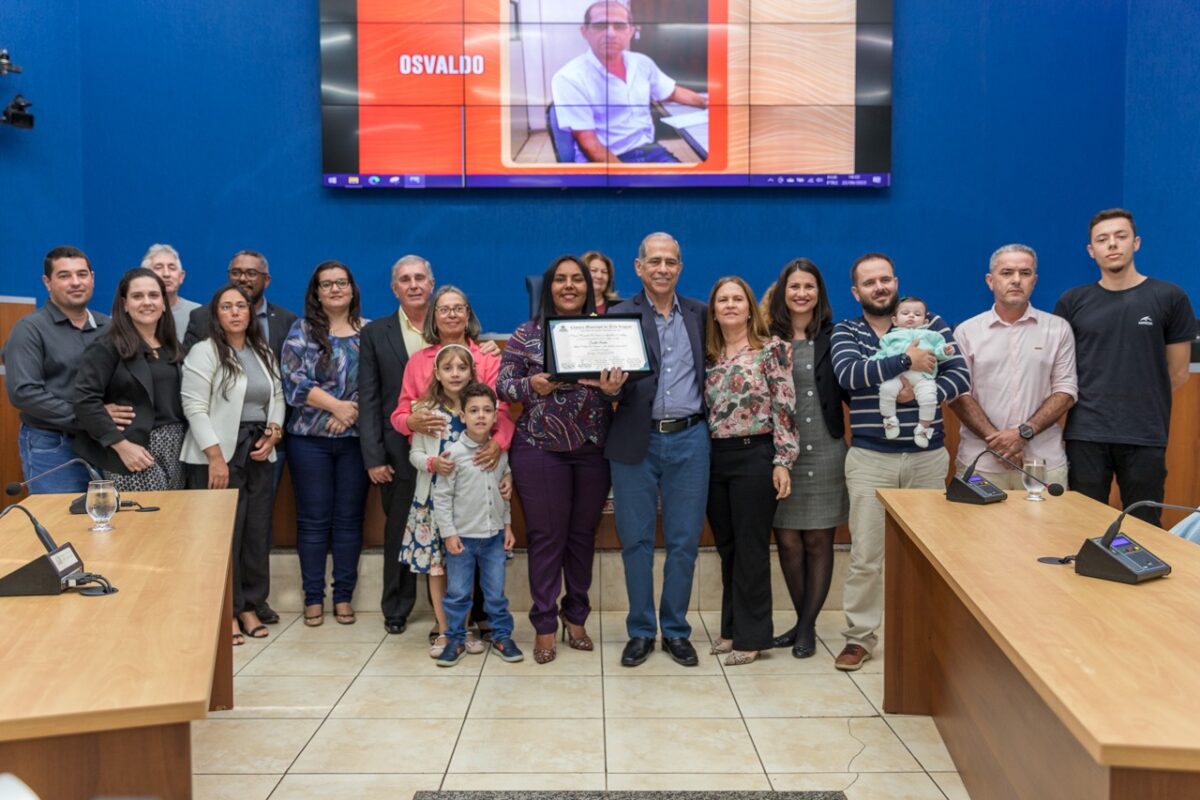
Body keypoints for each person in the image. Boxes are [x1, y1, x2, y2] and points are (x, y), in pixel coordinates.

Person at [830, 253, 970, 671]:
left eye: (886, 279)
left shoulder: (929, 323)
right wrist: (908, 363)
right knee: (866, 556)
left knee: (929, 554)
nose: (880, 287)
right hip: (872, 457)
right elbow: (850, 376)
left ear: (896, 282)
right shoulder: (847, 330)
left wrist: (917, 390)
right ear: (857, 292)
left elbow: (960, 376)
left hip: (928, 459)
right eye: (869, 282)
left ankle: (927, 633)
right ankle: (859, 637)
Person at [498, 255, 623, 664]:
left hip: (593, 451)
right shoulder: (527, 333)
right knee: (547, 539)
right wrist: (531, 384)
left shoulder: (607, 332)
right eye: (560, 280)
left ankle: (577, 617)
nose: (569, 286)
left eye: (577, 280)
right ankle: (545, 626)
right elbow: (503, 384)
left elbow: (625, 389)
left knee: (582, 538)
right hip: (539, 450)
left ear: (590, 286)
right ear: (548, 287)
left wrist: (613, 389)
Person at [606, 232, 709, 668]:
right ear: (638, 266)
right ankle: (642, 630)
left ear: (680, 267)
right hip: (635, 438)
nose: (663, 268)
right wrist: (608, 388)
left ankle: (677, 630)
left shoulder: (701, 315)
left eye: (671, 261)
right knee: (636, 541)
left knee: (685, 540)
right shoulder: (617, 315)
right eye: (655, 261)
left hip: (690, 438)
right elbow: (603, 382)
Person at [390, 284, 515, 642]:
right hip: (436, 485)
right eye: (444, 309)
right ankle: (448, 627)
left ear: (468, 313)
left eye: (458, 308)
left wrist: (498, 447)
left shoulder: (488, 358)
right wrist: (410, 422)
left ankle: (474, 621)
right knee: (441, 560)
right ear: (434, 316)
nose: (451, 315)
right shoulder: (419, 362)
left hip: (480, 474)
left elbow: (500, 411)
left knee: (475, 550)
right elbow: (402, 412)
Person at [1054, 209, 1195, 525]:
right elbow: (1062, 368)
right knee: (1083, 524)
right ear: (1092, 251)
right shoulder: (1072, 301)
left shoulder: (1169, 296)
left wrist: (1137, 400)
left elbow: (1178, 372)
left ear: (1137, 242)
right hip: (1086, 433)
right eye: (1102, 240)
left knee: (1144, 525)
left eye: (1120, 236)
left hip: (1144, 434)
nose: (1112, 245)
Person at [183, 249, 296, 626]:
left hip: (259, 449)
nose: (235, 312)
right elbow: (195, 408)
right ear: (215, 314)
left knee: (255, 531)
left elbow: (277, 396)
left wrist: (275, 433)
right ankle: (225, 611)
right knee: (222, 536)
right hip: (216, 455)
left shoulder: (262, 350)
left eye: (241, 307)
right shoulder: (204, 351)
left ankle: (250, 605)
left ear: (251, 313)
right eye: (227, 306)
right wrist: (215, 458)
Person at [703, 276, 797, 666]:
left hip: (755, 455)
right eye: (722, 299)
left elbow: (785, 408)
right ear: (714, 309)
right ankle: (731, 629)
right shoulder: (708, 354)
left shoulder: (770, 350)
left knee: (752, 549)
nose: (729, 305)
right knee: (728, 549)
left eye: (736, 299)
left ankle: (754, 636)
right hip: (712, 459)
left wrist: (782, 461)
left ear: (748, 305)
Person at [766, 258, 849, 659]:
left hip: (827, 448)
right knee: (787, 541)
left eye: (809, 287)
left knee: (819, 541)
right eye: (794, 287)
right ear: (783, 292)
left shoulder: (838, 336)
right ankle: (803, 623)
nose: (801, 294)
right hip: (782, 455)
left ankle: (806, 628)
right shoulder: (766, 338)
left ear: (820, 293)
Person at [280, 260, 370, 628]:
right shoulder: (301, 331)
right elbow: (293, 382)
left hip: (355, 442)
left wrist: (353, 413)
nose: (335, 289)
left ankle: (344, 596)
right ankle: (313, 597)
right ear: (316, 292)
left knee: (349, 522)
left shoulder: (370, 331)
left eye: (341, 283)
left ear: (352, 289)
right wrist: (337, 406)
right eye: (326, 284)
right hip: (309, 441)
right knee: (314, 522)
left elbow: (380, 384)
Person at [952, 244, 1077, 489]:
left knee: (1047, 529)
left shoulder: (1057, 329)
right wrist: (1001, 446)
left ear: (1035, 280)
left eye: (1025, 273)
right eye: (1007, 273)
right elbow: (958, 394)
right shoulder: (966, 332)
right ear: (990, 280)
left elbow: (1065, 391)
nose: (1017, 280)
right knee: (975, 530)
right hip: (981, 464)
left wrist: (1022, 434)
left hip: (1042, 466)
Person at [358, 254, 435, 636]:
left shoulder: (449, 324)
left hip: (448, 450)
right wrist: (373, 456)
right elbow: (369, 398)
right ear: (394, 288)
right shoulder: (376, 333)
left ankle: (456, 610)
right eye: (405, 279)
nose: (414, 285)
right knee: (399, 531)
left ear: (431, 283)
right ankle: (397, 607)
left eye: (420, 277)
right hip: (396, 452)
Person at [4, 246, 112, 493]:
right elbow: (24, 393)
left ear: (92, 278)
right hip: (53, 445)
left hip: (104, 443)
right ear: (47, 282)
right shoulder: (29, 329)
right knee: (59, 524)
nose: (76, 282)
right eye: (64, 276)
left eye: (82, 274)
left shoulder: (108, 326)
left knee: (105, 523)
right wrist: (90, 417)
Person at [432, 383, 523, 666]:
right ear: (462, 415)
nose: (481, 416)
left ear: (496, 416)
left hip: (494, 537)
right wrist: (448, 534)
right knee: (458, 593)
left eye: (487, 410)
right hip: (462, 540)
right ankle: (456, 639)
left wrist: (507, 526)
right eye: (473, 411)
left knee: (495, 593)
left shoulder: (500, 454)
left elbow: (503, 495)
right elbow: (442, 498)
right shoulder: (453, 455)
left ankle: (501, 636)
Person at [73, 268, 188, 491]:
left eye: (154, 295)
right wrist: (121, 446)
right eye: (137, 296)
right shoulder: (106, 347)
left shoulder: (174, 348)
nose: (147, 302)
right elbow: (84, 401)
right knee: (146, 524)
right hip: (132, 451)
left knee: (172, 523)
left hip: (177, 450)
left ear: (164, 303)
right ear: (125, 304)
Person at [550, 1, 708, 163]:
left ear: (631, 31)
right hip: (606, 159)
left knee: (692, 183)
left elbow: (672, 92)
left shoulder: (642, 63)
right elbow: (591, 146)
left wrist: (707, 102)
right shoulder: (569, 77)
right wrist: (628, 178)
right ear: (585, 32)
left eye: (619, 26)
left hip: (649, 150)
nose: (610, 33)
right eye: (600, 26)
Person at [402, 344, 480, 658]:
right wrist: (432, 463)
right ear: (437, 373)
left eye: (462, 367)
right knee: (438, 568)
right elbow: (415, 454)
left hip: (470, 501)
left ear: (472, 372)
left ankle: (465, 627)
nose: (455, 374)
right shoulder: (425, 409)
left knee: (465, 564)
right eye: (448, 368)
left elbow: (493, 450)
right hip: (432, 502)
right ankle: (446, 630)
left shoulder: (478, 407)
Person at [869, 296, 955, 448]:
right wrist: (872, 362)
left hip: (924, 377)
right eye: (906, 313)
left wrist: (945, 351)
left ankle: (923, 428)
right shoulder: (889, 338)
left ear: (925, 322)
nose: (911, 316)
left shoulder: (932, 336)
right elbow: (883, 355)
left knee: (929, 398)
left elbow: (938, 351)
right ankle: (890, 419)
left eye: (917, 314)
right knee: (886, 389)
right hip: (897, 376)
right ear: (895, 320)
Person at [183, 250, 298, 360]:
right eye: (236, 273)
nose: (242, 278)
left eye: (251, 273)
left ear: (266, 280)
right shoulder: (202, 317)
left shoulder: (286, 320)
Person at [142, 243, 199, 336]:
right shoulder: (134, 312)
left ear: (181, 276)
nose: (166, 274)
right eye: (158, 267)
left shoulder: (198, 313)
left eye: (172, 268)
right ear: (145, 276)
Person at [582, 249, 620, 314]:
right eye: (594, 270)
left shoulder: (618, 307)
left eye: (604, 272)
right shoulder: (572, 307)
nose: (599, 276)